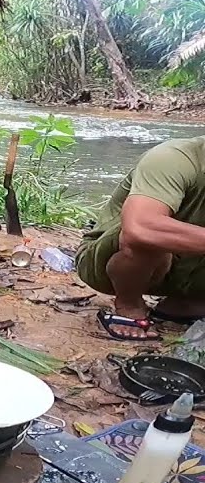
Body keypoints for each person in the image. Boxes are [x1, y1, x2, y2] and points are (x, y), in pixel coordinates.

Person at [79, 136, 205, 340]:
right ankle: (129, 304)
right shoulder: (174, 158)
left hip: (190, 267)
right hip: (112, 262)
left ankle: (184, 302)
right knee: (145, 240)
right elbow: (140, 227)